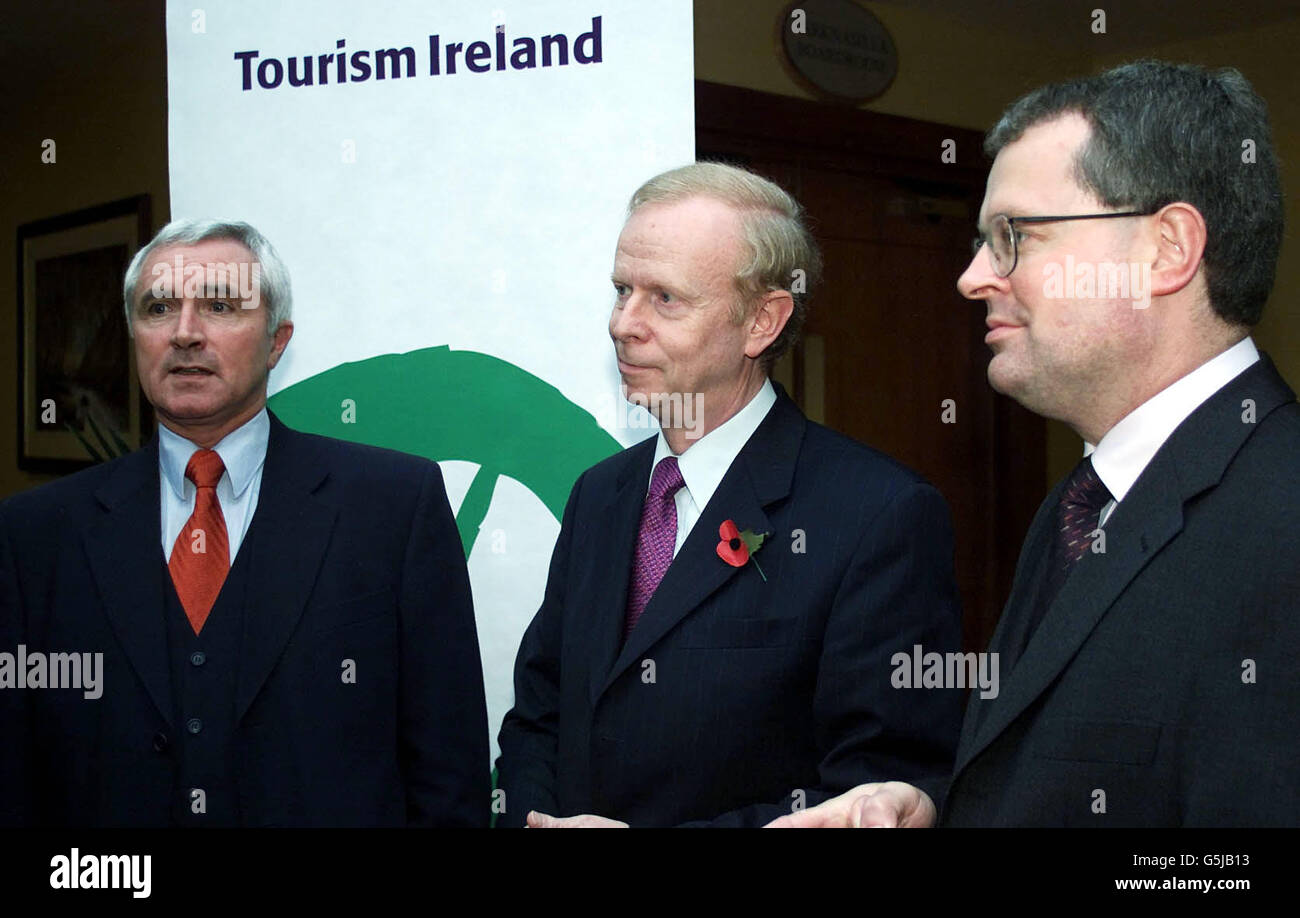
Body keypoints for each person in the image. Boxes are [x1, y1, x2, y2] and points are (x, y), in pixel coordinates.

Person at [769, 60, 1300, 828]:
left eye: (1014, 237)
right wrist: (932, 812)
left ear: (1167, 249)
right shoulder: (1084, 503)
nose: (974, 276)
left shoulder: (1281, 523)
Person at [495, 162, 963, 828]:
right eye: (622, 289)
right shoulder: (600, 494)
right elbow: (539, 715)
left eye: (664, 298)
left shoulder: (878, 516)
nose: (622, 324)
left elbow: (872, 790)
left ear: (762, 322)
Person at [0, 219, 489, 826]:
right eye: (158, 309)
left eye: (220, 306)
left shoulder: (394, 506)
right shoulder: (37, 533)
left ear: (277, 341)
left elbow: (449, 769)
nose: (184, 334)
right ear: (134, 336)